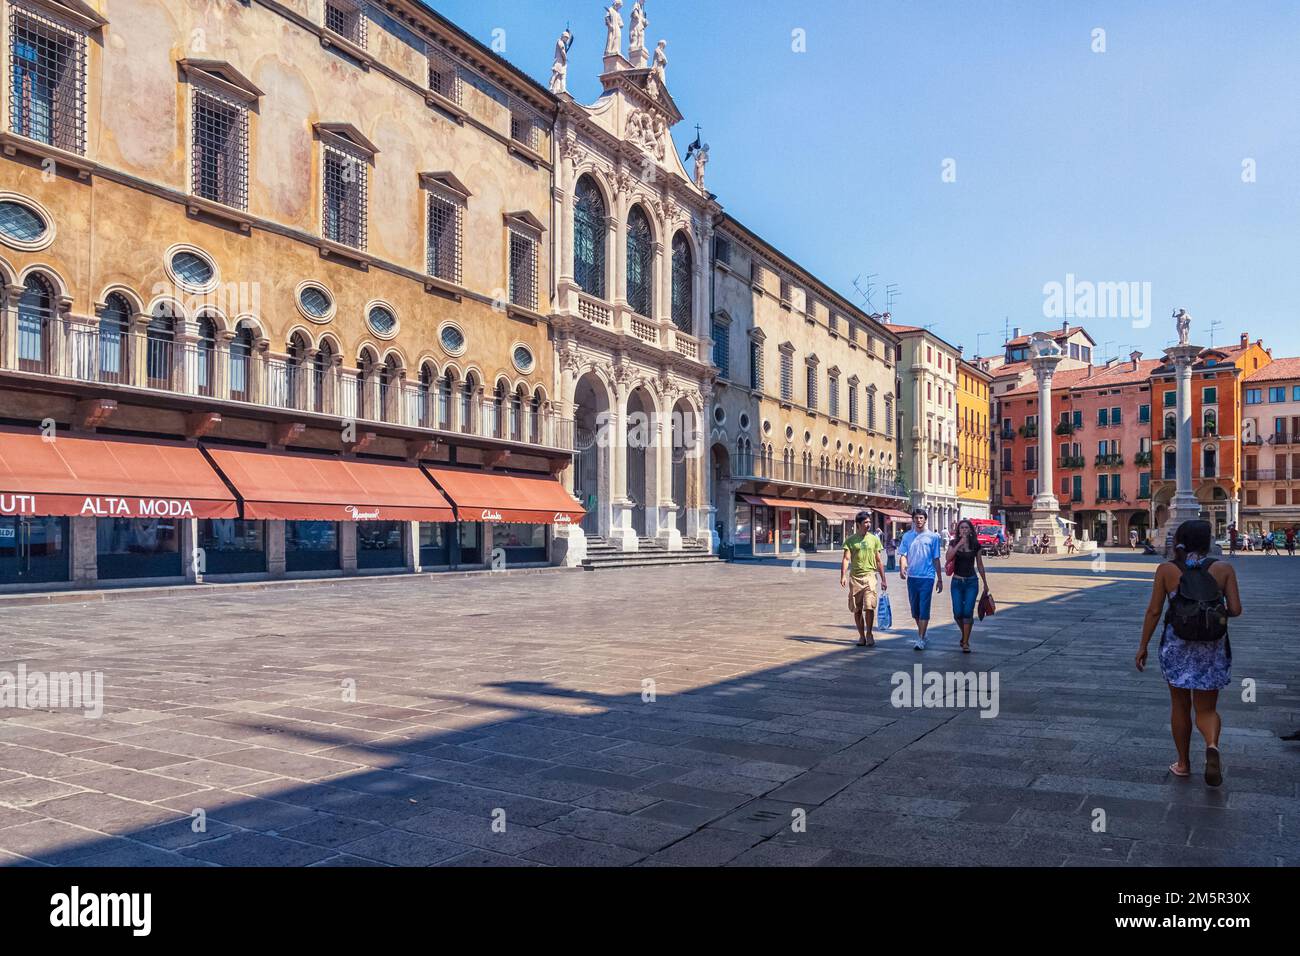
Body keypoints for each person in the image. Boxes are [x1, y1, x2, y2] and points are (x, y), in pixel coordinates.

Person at [1135, 519, 1241, 786]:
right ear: (1207, 541)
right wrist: (1210, 613)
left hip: (1177, 645)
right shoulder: (1224, 569)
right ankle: (1212, 745)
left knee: (1180, 705)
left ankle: (1183, 764)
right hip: (1212, 645)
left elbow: (1154, 611)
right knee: (1207, 708)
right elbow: (1237, 610)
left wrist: (1143, 646)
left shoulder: (1166, 570)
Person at [840, 512, 888, 647]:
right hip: (855, 578)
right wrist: (843, 575)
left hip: (870, 577)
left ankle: (869, 633)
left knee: (869, 607)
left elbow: (879, 561)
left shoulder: (874, 539)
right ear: (858, 524)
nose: (868, 525)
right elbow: (846, 559)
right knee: (857, 609)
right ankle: (861, 635)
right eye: (865, 522)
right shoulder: (850, 540)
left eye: (869, 522)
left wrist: (884, 579)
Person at [899, 509, 944, 650]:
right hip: (912, 577)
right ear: (913, 519)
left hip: (927, 577)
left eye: (921, 518)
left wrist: (940, 579)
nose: (918, 520)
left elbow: (936, 558)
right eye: (916, 518)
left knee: (924, 607)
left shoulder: (933, 537)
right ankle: (923, 634)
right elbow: (903, 555)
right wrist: (902, 567)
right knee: (915, 610)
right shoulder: (907, 537)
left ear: (925, 519)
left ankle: (920, 638)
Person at [946, 519, 990, 653]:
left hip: (971, 581)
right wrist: (959, 544)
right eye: (961, 528)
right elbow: (948, 557)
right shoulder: (954, 543)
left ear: (970, 530)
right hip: (957, 582)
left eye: (966, 528)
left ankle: (965, 642)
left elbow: (980, 564)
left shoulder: (975, 544)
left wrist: (985, 583)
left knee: (967, 612)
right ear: (958, 531)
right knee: (958, 613)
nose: (964, 530)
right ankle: (964, 635)